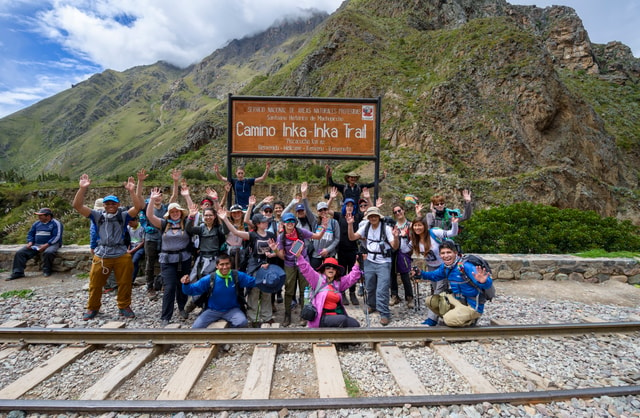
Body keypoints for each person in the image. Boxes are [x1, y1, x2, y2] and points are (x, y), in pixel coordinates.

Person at [72, 173, 144, 320]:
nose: (110, 206)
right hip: (102, 253)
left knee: (125, 282)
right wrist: (82, 189)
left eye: (113, 203)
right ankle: (92, 308)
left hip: (121, 253)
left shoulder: (123, 215)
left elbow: (138, 207)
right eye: (108, 204)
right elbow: (77, 206)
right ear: (104, 205)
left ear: (118, 205)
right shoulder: (97, 215)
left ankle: (124, 306)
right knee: (95, 283)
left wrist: (132, 191)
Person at [220, 205, 279, 326]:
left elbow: (276, 250)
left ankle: (266, 316)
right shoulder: (251, 235)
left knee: (267, 292)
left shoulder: (271, 235)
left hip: (267, 266)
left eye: (266, 221)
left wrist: (272, 253)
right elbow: (235, 232)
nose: (266, 223)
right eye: (263, 222)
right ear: (257, 224)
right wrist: (225, 219)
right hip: (255, 267)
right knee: (254, 292)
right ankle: (254, 318)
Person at [411, 240, 492, 327]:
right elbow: (434, 275)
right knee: (431, 301)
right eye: (443, 253)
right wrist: (421, 274)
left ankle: (470, 321)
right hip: (458, 300)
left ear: (455, 253)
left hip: (472, 305)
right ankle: (457, 316)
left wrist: (484, 281)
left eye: (449, 252)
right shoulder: (446, 267)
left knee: (448, 320)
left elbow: (487, 284)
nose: (446, 256)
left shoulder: (465, 266)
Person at [146, 187, 192, 327]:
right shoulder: (164, 224)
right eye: (172, 212)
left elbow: (193, 212)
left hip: (183, 258)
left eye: (177, 211)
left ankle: (182, 308)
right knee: (170, 286)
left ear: (180, 212)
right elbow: (149, 216)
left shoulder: (187, 223)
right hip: (167, 260)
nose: (175, 213)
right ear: (169, 214)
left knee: (182, 284)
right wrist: (152, 200)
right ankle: (166, 316)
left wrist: (187, 196)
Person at [347, 206, 398, 326]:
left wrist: (395, 237)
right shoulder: (366, 226)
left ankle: (384, 313)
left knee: (382, 288)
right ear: (368, 218)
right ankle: (372, 305)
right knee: (369, 286)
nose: (373, 218)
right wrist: (350, 224)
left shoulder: (386, 228)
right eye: (371, 216)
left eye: (375, 216)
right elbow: (352, 237)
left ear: (379, 217)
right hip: (369, 260)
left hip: (384, 262)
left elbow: (394, 246)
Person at [276, 212, 326, 327]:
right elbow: (282, 256)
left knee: (305, 290)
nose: (290, 223)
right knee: (289, 290)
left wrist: (323, 229)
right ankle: (287, 315)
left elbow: (317, 236)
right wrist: (275, 250)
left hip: (303, 264)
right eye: (287, 221)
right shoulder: (281, 237)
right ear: (283, 223)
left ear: (295, 222)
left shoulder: (301, 232)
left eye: (292, 221)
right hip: (289, 264)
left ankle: (305, 315)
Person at [293, 244, 362, 329]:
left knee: (355, 324)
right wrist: (299, 256)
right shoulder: (317, 279)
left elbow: (352, 277)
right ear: (324, 269)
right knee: (343, 320)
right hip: (321, 317)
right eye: (328, 267)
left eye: (334, 268)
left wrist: (358, 263)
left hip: (335, 316)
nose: (331, 269)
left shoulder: (338, 283)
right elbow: (306, 269)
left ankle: (340, 342)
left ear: (336, 271)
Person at [180, 254, 256, 328]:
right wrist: (186, 284)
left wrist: (265, 273)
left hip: (232, 310)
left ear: (231, 264)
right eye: (221, 264)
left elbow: (254, 282)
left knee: (242, 322)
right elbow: (191, 290)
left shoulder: (237, 275)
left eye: (227, 264)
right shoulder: (210, 278)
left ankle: (228, 334)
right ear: (217, 266)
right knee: (196, 327)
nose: (225, 267)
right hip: (212, 310)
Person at [139, 168, 180, 300]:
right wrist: (140, 183)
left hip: (164, 239)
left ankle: (164, 284)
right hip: (151, 238)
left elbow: (174, 197)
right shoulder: (147, 207)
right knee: (150, 263)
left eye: (160, 195)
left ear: (162, 197)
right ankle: (150, 287)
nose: (158, 197)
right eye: (155, 195)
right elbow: (139, 199)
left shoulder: (165, 208)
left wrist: (175, 182)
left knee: (164, 262)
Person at [410, 217, 459, 326]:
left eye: (420, 225)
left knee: (438, 291)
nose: (418, 228)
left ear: (425, 226)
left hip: (444, 266)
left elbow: (452, 233)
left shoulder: (434, 233)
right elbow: (404, 249)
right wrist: (400, 236)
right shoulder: (415, 239)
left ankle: (431, 319)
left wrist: (454, 224)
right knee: (439, 292)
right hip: (431, 267)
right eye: (415, 225)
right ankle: (446, 314)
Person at [6, 208, 63, 281]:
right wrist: (30, 242)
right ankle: (18, 272)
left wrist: (46, 245)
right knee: (20, 253)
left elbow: (57, 236)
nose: (39, 217)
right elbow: (30, 234)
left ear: (48, 216)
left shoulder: (56, 223)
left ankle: (47, 270)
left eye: (41, 215)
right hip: (37, 244)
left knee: (48, 252)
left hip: (52, 244)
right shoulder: (36, 224)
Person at [390, 204, 414, 308]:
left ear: (403, 211)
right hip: (393, 251)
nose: (398, 213)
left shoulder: (410, 224)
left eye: (399, 210)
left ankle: (409, 297)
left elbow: (414, 238)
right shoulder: (393, 225)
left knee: (405, 275)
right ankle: (394, 295)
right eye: (395, 212)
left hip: (404, 252)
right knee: (392, 274)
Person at [127, 216, 145, 283]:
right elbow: (128, 239)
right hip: (131, 246)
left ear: (136, 221)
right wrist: (128, 249)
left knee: (134, 261)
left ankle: (131, 280)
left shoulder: (142, 228)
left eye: (131, 222)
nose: (129, 224)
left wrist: (132, 250)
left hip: (139, 247)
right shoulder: (128, 228)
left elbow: (143, 242)